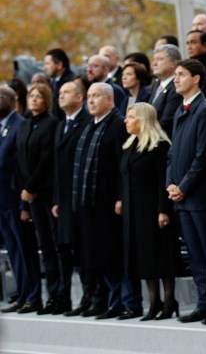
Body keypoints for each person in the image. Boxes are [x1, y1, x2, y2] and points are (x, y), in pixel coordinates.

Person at [73, 83, 138, 320]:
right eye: (88, 96)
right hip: (88, 202)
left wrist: (121, 197)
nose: (90, 100)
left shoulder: (117, 125)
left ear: (110, 99)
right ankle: (105, 299)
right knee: (96, 254)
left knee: (113, 254)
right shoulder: (89, 126)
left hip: (110, 203)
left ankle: (122, 301)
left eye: (96, 96)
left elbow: (123, 166)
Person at [166, 59, 206, 323]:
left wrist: (183, 187)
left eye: (181, 74)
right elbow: (173, 153)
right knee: (195, 254)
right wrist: (170, 184)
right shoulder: (179, 110)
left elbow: (202, 157)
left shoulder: (205, 111)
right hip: (182, 197)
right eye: (174, 75)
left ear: (196, 79)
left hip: (197, 197)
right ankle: (203, 302)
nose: (175, 79)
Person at [118, 103, 178, 321]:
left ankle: (169, 301)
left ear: (143, 120)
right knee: (143, 257)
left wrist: (163, 210)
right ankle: (154, 302)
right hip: (134, 211)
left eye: (131, 117)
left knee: (160, 256)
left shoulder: (159, 145)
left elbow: (163, 179)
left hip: (153, 210)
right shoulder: (129, 145)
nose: (126, 120)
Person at [16, 83, 60, 314]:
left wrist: (31, 187)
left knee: (53, 244)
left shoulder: (51, 124)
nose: (33, 100)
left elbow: (46, 160)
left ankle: (57, 295)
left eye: (38, 97)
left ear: (46, 101)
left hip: (45, 193)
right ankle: (44, 297)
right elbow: (20, 160)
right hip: (30, 195)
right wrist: (25, 196)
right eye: (31, 96)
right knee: (43, 244)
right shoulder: (24, 125)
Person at [51, 80, 93, 316]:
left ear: (80, 98)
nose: (61, 95)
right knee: (65, 248)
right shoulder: (61, 125)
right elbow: (57, 167)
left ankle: (89, 295)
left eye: (66, 92)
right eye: (60, 92)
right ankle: (65, 297)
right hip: (64, 199)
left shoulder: (86, 122)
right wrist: (56, 199)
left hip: (80, 196)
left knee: (83, 248)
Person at [0, 86, 41, 314]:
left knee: (25, 249)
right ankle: (23, 293)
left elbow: (21, 166)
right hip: (2, 201)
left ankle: (33, 295)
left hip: (16, 199)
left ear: (11, 100)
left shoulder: (19, 124)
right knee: (13, 250)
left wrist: (25, 203)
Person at [149, 44, 183, 137]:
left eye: (160, 59)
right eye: (154, 59)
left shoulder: (177, 87)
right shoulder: (155, 84)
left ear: (174, 63)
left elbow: (166, 123)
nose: (154, 63)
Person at [43, 48, 75, 119]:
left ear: (59, 65)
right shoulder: (52, 82)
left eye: (47, 64)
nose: (44, 67)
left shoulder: (72, 83)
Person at [186, 30, 206, 98]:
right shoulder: (186, 66)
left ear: (205, 45)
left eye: (193, 42)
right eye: (187, 43)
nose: (189, 47)